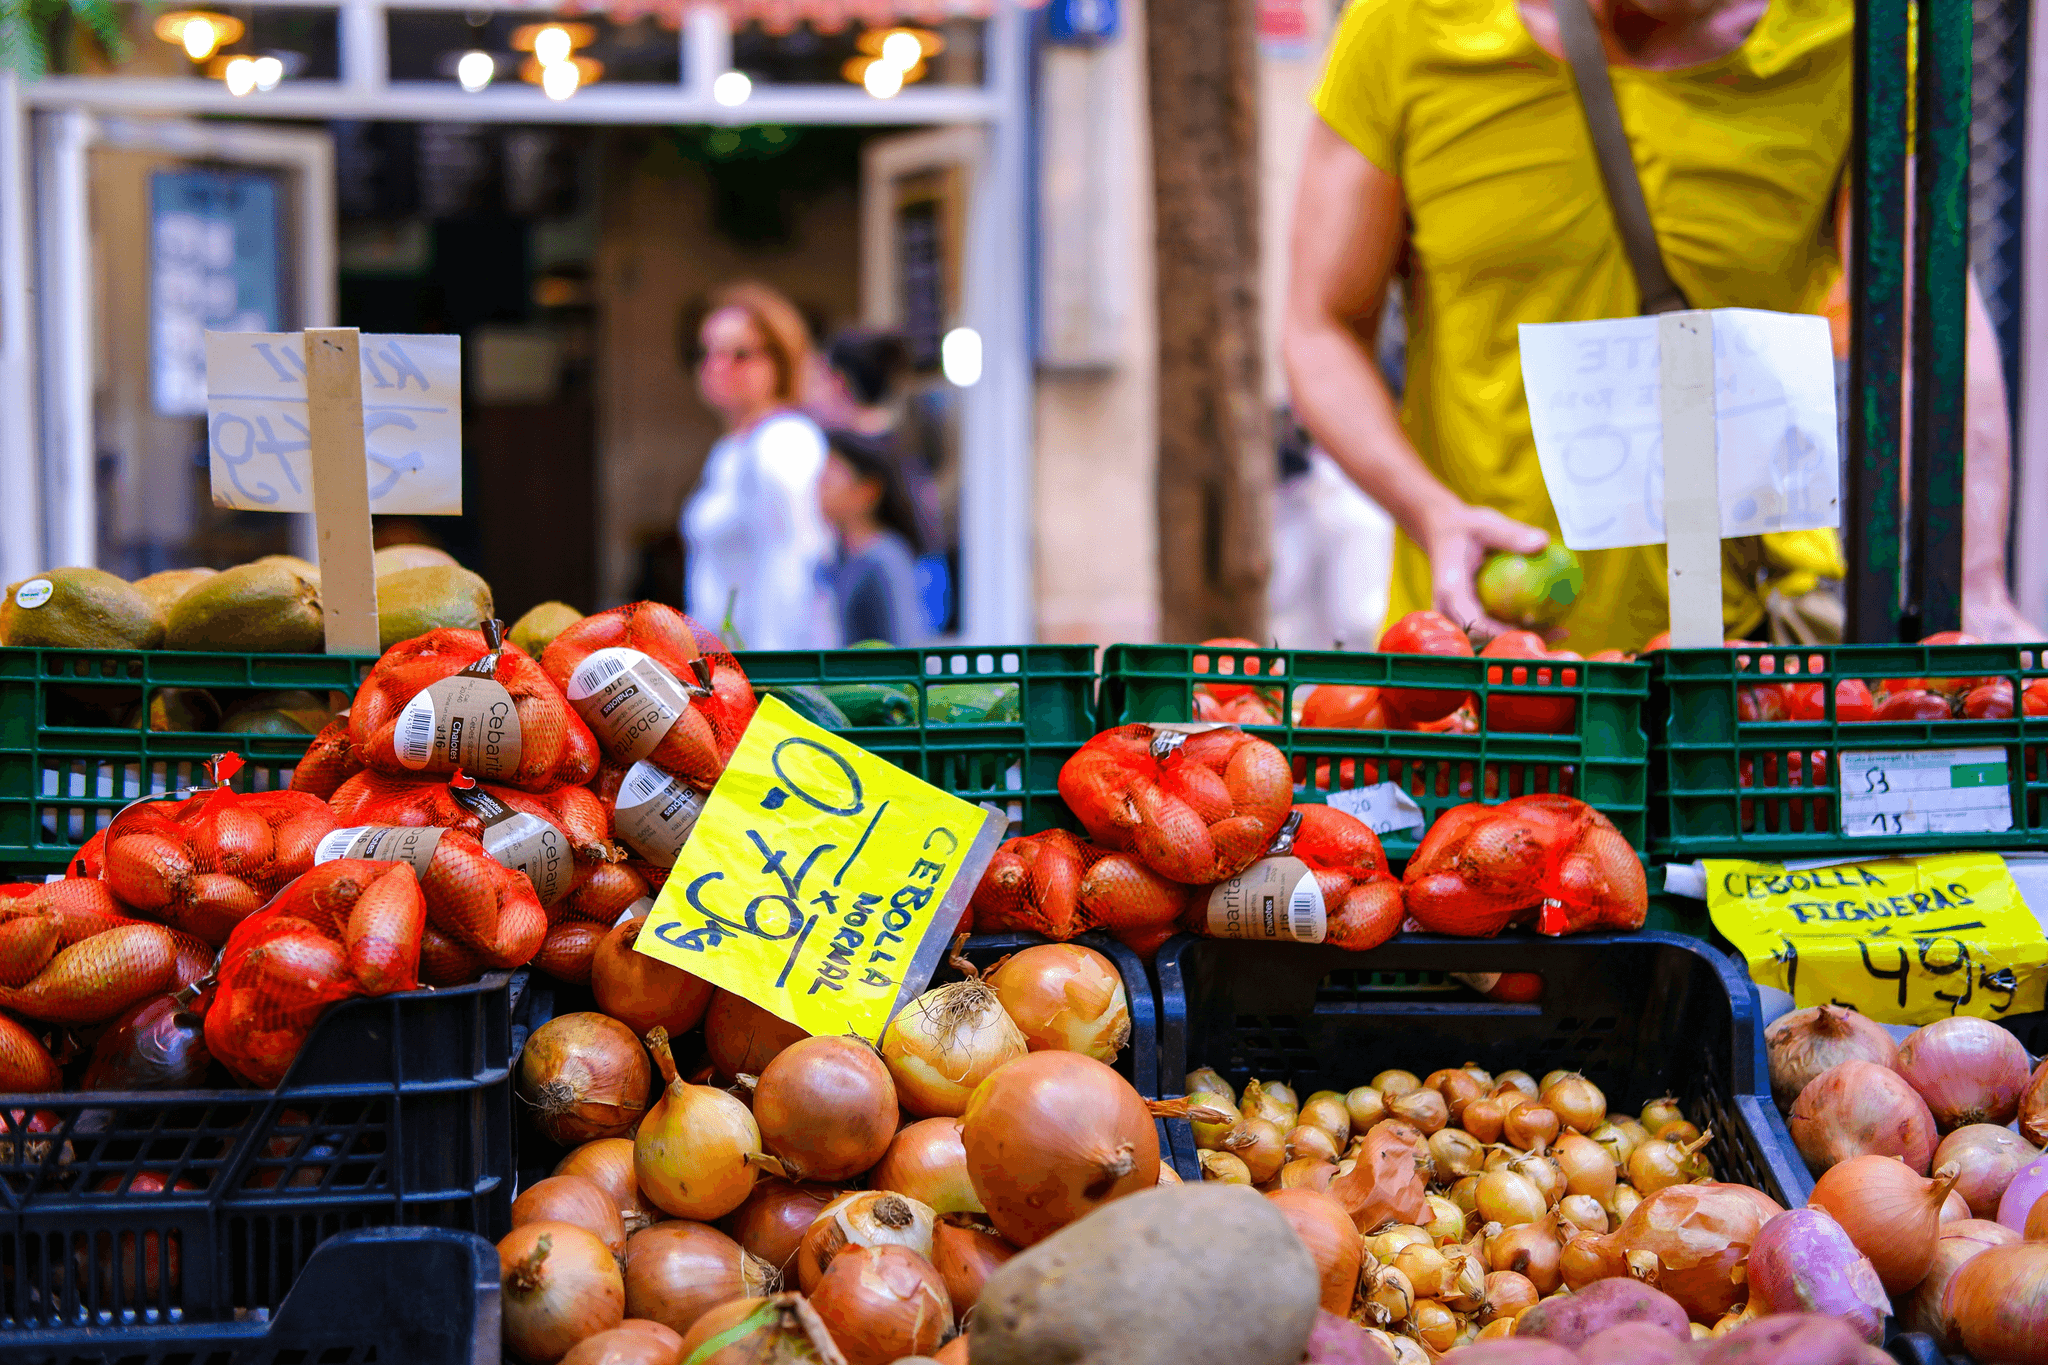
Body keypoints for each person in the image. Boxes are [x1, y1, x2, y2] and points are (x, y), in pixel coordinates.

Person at [1284, 0, 2041, 651]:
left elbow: (1926, 326)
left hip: (1751, 647)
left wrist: (1973, 584)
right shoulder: (1415, 27)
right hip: (1490, 649)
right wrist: (1431, 511)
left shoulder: (1854, 36)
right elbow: (1321, 322)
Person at [680, 282, 838, 650]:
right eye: (708, 352)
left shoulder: (781, 441)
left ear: (780, 359)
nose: (718, 367)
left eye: (740, 354)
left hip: (765, 672)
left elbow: (789, 569)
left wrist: (773, 680)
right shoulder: (732, 448)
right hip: (729, 668)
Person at [817, 428, 929, 646]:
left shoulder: (884, 559)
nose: (818, 488)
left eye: (828, 479)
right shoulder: (836, 559)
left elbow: (905, 647)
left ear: (867, 491)